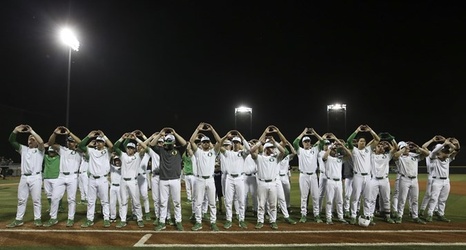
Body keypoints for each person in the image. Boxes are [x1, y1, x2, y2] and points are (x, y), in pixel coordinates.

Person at [7, 124, 45, 228]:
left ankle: (37, 219)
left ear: (36, 141)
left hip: (36, 177)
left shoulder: (40, 150)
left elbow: (41, 142)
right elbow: (12, 141)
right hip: (24, 177)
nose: (30, 140)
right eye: (29, 139)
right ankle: (19, 219)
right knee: (21, 200)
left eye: (33, 139)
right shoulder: (23, 149)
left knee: (36, 200)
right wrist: (15, 130)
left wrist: (31, 132)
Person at [149, 128, 187, 232]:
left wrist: (175, 133)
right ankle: (162, 222)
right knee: (163, 202)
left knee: (177, 202)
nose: (168, 144)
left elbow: (184, 143)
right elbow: (151, 145)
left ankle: (178, 221)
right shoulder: (161, 150)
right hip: (163, 180)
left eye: (170, 141)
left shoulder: (179, 150)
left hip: (175, 179)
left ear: (174, 142)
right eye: (167, 141)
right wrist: (160, 134)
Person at [44, 126, 83, 227]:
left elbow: (82, 143)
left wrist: (69, 133)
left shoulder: (80, 151)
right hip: (61, 176)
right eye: (69, 141)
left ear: (75, 143)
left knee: (71, 199)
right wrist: (55, 133)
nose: (70, 143)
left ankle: (70, 219)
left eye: (72, 141)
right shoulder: (62, 149)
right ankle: (53, 218)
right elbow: (50, 143)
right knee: (54, 197)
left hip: (73, 176)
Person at [250, 126, 287, 230]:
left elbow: (283, 151)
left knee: (273, 204)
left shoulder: (275, 158)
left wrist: (274, 142)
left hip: (273, 183)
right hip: (262, 183)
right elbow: (251, 151)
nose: (273, 149)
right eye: (271, 147)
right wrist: (260, 142)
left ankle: (273, 221)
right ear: (266, 148)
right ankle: (260, 221)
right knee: (261, 204)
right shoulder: (259, 158)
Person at [189, 122, 222, 231]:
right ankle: (198, 222)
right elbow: (191, 141)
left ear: (209, 143)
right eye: (204, 142)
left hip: (210, 180)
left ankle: (213, 222)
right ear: (201, 143)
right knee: (198, 203)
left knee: (212, 203)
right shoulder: (198, 152)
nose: (206, 143)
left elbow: (219, 141)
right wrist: (197, 129)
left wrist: (212, 129)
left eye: (207, 142)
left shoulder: (213, 152)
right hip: (199, 180)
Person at [77, 130, 113, 228]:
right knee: (91, 201)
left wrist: (104, 136)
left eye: (100, 141)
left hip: (103, 179)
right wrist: (88, 136)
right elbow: (80, 146)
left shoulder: (107, 152)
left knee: (105, 201)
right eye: (97, 141)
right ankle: (89, 219)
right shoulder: (91, 150)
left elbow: (112, 147)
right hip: (92, 179)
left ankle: (106, 219)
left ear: (104, 143)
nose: (98, 143)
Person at [345, 124, 380, 225]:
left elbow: (377, 139)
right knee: (355, 197)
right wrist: (357, 130)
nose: (363, 142)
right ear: (358, 143)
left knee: (367, 198)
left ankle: (368, 217)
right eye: (361, 141)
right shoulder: (354, 150)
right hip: (358, 176)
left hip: (368, 176)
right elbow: (348, 141)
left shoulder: (368, 149)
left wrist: (370, 130)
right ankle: (353, 216)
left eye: (364, 141)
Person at [113, 132, 146, 228]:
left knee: (136, 201)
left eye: (131, 148)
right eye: (128, 148)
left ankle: (140, 219)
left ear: (134, 149)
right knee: (123, 201)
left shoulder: (138, 156)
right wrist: (122, 138)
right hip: (123, 181)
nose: (129, 149)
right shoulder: (123, 155)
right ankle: (123, 220)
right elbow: (115, 147)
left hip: (133, 181)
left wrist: (136, 139)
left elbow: (145, 147)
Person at [293, 127, 324, 223]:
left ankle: (316, 215)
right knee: (304, 196)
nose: (307, 143)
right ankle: (303, 215)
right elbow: (294, 143)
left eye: (308, 141)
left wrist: (314, 133)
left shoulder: (315, 149)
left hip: (313, 176)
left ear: (310, 142)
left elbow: (322, 142)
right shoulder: (300, 151)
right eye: (305, 141)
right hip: (303, 176)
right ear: (303, 143)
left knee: (315, 196)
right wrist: (303, 132)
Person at [393, 140, 429, 224]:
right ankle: (399, 216)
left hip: (414, 180)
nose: (407, 148)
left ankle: (415, 216)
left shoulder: (414, 155)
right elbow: (395, 156)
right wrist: (402, 149)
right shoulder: (399, 157)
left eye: (408, 147)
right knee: (402, 199)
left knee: (415, 199)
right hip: (404, 179)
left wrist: (417, 147)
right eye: (405, 147)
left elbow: (427, 154)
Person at [424, 137, 460, 222]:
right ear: (439, 153)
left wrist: (456, 143)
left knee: (443, 199)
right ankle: (430, 214)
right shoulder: (434, 159)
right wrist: (444, 143)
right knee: (434, 198)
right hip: (436, 181)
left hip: (446, 181)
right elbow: (434, 152)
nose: (445, 153)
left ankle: (441, 214)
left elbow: (457, 150)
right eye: (443, 152)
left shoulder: (448, 159)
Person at [218, 131, 249, 229]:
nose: (236, 144)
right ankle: (229, 220)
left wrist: (241, 136)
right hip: (229, 178)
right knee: (228, 201)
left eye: (237, 142)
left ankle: (241, 219)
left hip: (240, 178)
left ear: (240, 144)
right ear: (232, 144)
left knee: (241, 200)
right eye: (234, 142)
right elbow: (219, 145)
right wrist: (225, 136)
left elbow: (249, 148)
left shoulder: (242, 153)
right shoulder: (228, 153)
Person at [363, 139, 397, 224]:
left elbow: (395, 148)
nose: (381, 147)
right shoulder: (371, 155)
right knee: (372, 199)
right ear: (374, 148)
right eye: (379, 146)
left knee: (386, 199)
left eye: (382, 146)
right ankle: (370, 216)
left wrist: (390, 141)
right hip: (373, 179)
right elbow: (367, 147)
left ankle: (387, 216)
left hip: (385, 180)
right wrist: (375, 140)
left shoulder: (387, 156)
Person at [321, 139, 351, 224]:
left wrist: (343, 146)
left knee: (340, 201)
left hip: (339, 182)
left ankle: (340, 217)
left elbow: (350, 155)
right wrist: (331, 147)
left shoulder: (340, 159)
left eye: (335, 150)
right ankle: (329, 218)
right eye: (333, 150)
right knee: (329, 200)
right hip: (330, 181)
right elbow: (324, 157)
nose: (334, 151)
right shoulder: (327, 158)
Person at [420, 135, 446, 217]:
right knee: (428, 194)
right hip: (431, 176)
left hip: (437, 177)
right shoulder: (430, 154)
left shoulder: (442, 156)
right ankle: (422, 209)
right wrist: (432, 140)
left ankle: (436, 210)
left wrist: (445, 141)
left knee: (437, 195)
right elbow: (423, 146)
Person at [109, 155, 122, 223]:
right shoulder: (112, 167)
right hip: (113, 187)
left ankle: (122, 216)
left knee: (121, 202)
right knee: (112, 202)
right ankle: (112, 216)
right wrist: (111, 156)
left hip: (120, 187)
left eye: (118, 160)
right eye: (116, 160)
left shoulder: (123, 168)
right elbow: (108, 162)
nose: (117, 162)